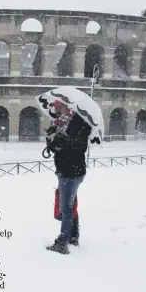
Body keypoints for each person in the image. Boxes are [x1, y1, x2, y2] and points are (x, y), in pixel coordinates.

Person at [44, 101, 92, 255]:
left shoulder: (79, 121)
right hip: (64, 169)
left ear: (66, 106)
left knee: (66, 208)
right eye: (54, 106)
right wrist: (51, 138)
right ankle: (73, 237)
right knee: (70, 205)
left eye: (58, 106)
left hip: (72, 171)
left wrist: (64, 142)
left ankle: (63, 243)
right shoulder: (59, 123)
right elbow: (56, 148)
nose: (55, 109)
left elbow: (80, 146)